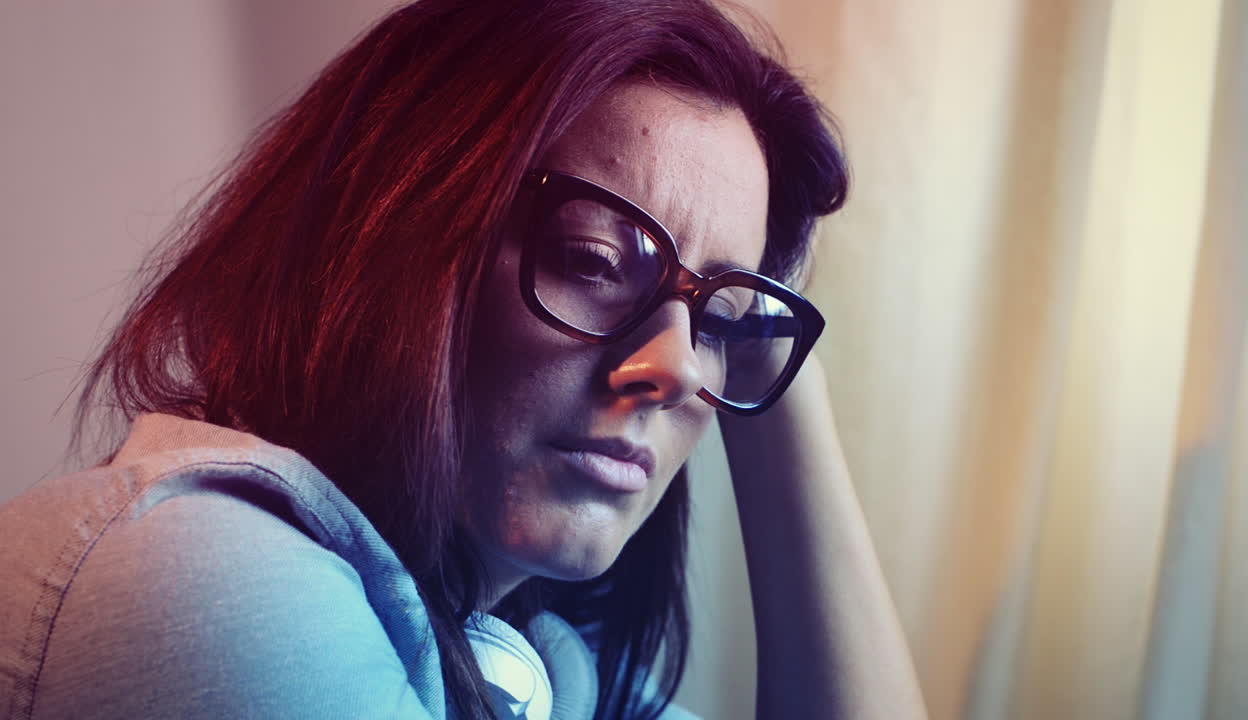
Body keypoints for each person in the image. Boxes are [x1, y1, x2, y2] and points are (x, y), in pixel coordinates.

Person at [0, 1, 926, 718]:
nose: (679, 370)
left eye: (716, 324)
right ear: (389, 236)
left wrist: (762, 325)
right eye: (592, 262)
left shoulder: (532, 662)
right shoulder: (213, 582)